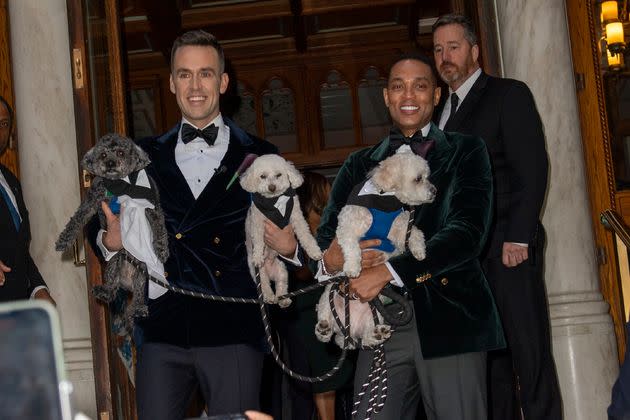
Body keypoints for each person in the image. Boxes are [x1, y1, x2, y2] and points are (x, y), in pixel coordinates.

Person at [96, 30, 299, 420]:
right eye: (184, 74)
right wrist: (110, 237)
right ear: (172, 83)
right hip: (163, 329)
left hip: (233, 328)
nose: (195, 85)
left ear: (223, 81)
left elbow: (288, 239)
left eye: (205, 74)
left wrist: (289, 248)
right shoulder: (141, 155)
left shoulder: (260, 155)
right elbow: (100, 217)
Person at [316, 52, 505, 420]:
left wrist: (387, 271)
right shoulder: (358, 163)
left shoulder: (467, 151)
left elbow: (467, 234)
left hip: (451, 317)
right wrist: (330, 260)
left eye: (420, 86)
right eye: (398, 86)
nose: (409, 95)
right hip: (379, 322)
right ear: (386, 96)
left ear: (436, 96)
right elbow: (325, 236)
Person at [432, 13, 562, 420]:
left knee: (529, 354)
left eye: (453, 47)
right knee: (491, 367)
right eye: (437, 50)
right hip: (466, 262)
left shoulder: (508, 94)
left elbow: (533, 167)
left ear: (474, 51)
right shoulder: (439, 114)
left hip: (508, 248)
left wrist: (519, 237)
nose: (445, 57)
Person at [0, 95, 54, 305]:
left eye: (4, 124)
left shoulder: (10, 181)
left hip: (17, 315)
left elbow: (19, 249)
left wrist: (38, 289)